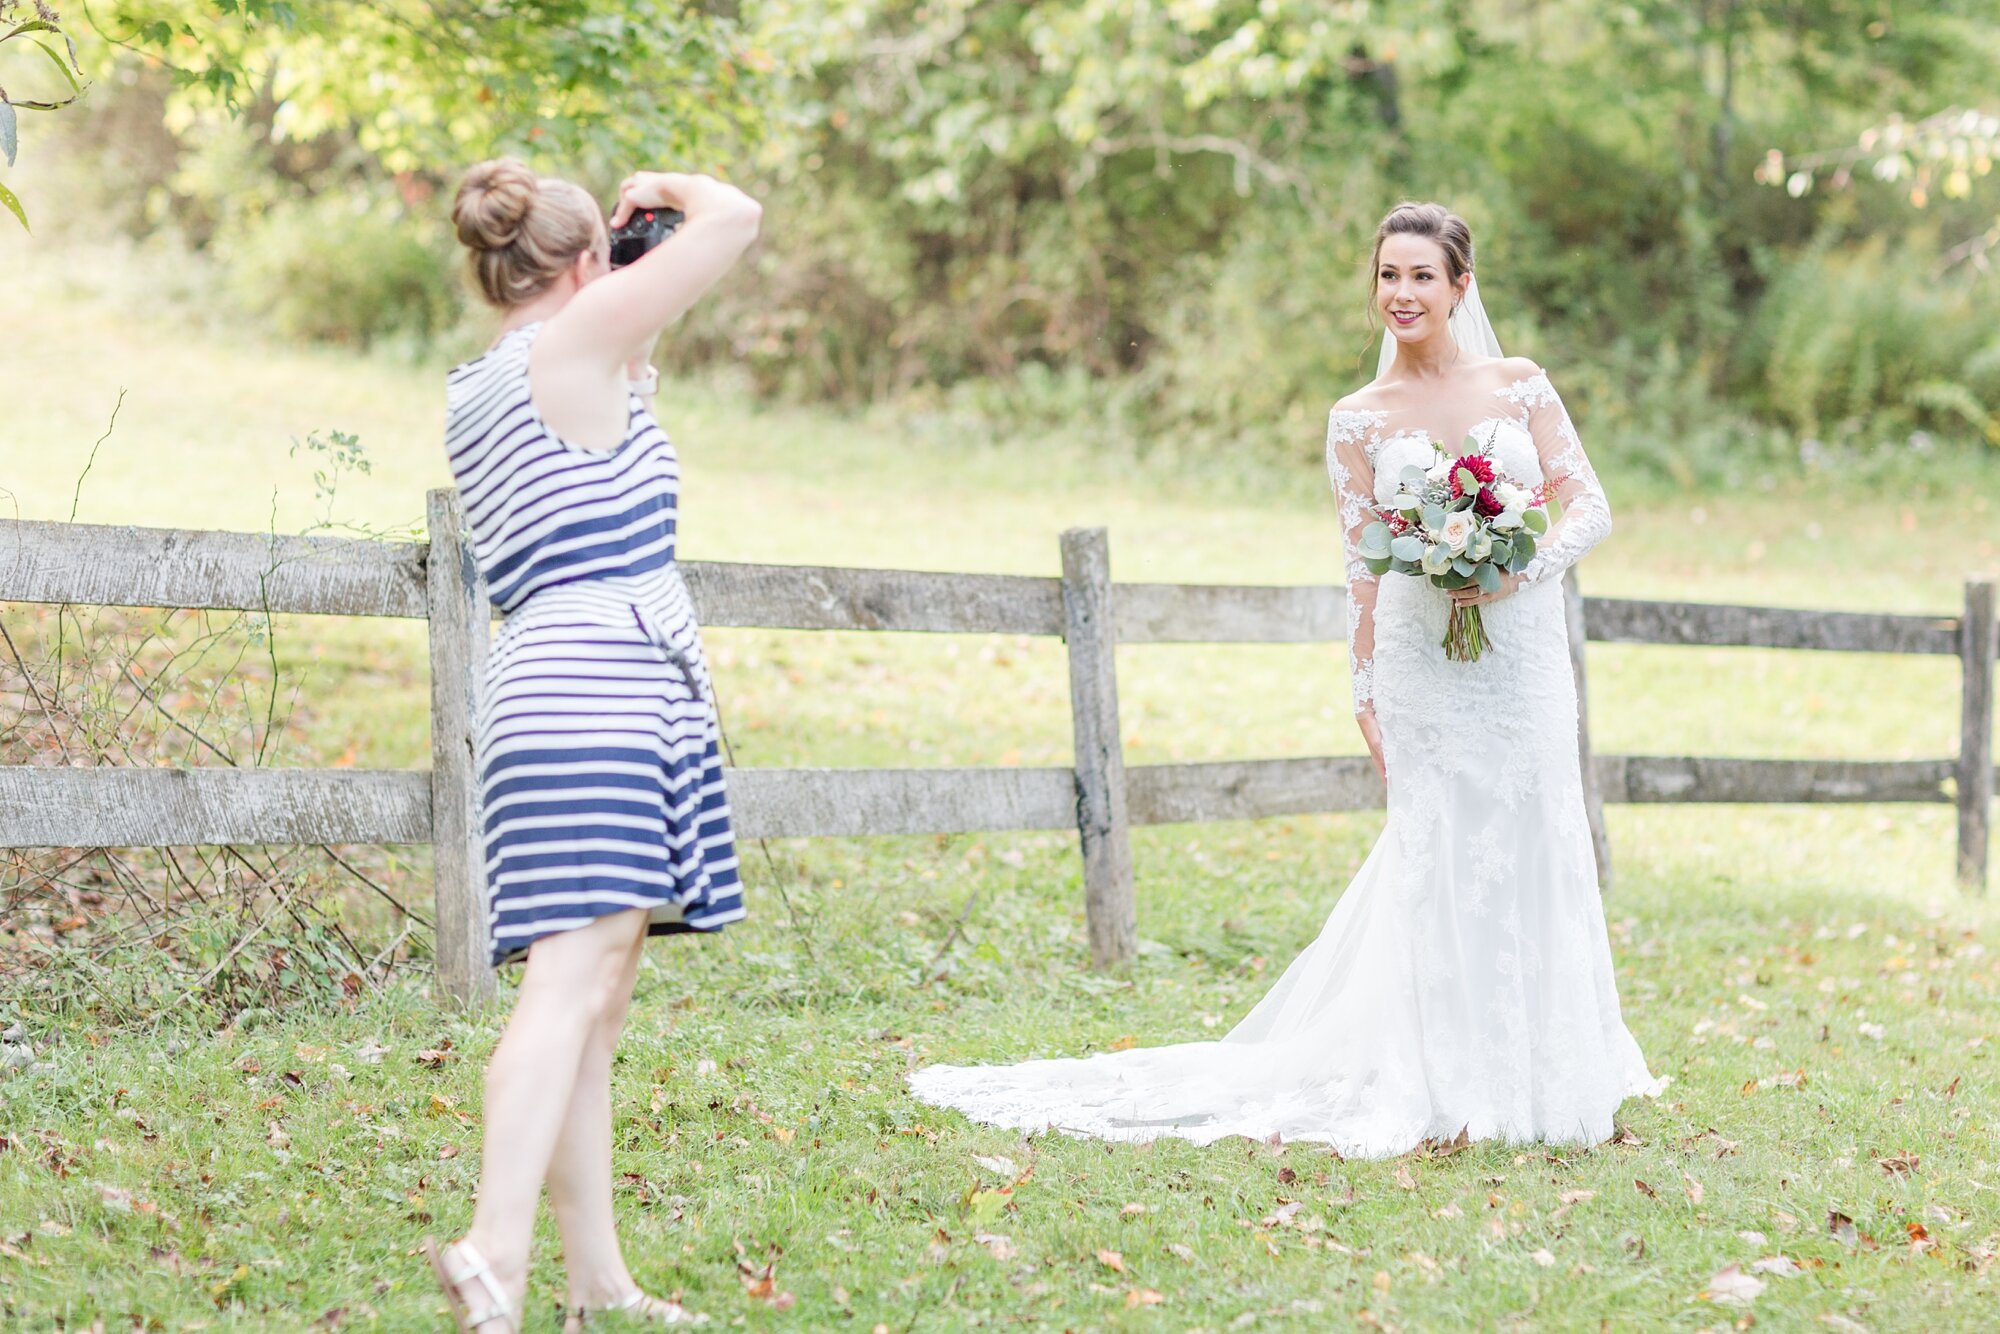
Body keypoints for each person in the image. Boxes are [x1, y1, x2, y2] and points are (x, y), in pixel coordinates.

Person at [907, 200, 1664, 1156]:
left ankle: (1550, 1064)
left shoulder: (1519, 386)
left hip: (1521, 657)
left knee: (1531, 826)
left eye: (1422, 276)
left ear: (1461, 287)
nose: (1402, 293)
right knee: (1438, 846)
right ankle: (1444, 1076)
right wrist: (1362, 690)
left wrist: (1521, 569)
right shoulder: (1357, 420)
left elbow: (1586, 504)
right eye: (1388, 275)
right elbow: (1361, 564)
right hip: (1417, 655)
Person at [421, 157, 761, 1332]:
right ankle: (493, 1253)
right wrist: (661, 187)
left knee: (596, 990)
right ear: (584, 265)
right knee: (568, 985)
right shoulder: (572, 344)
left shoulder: (489, 380)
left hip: (557, 681)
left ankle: (594, 1281)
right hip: (599, 682)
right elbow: (737, 219)